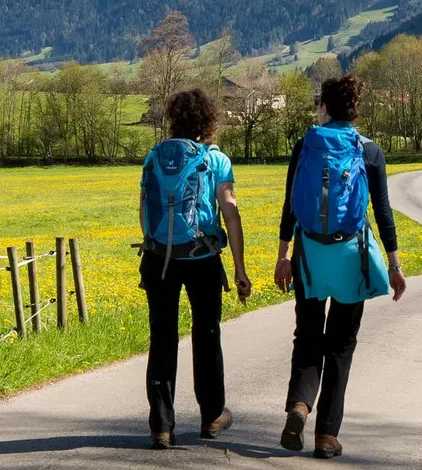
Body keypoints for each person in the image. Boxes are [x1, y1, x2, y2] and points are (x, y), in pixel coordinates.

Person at [273, 75, 406, 459]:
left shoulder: (306, 145)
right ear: (355, 108)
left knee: (308, 336)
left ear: (324, 107)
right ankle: (326, 436)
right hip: (351, 256)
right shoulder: (370, 151)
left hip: (310, 255)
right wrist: (394, 265)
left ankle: (299, 404)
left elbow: (290, 206)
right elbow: (382, 212)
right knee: (341, 344)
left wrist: (283, 257)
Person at [139, 88, 250, 449]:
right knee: (207, 334)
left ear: (174, 119)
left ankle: (161, 426)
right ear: (207, 121)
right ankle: (212, 415)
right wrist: (239, 268)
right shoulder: (215, 160)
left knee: (162, 338)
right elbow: (229, 212)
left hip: (159, 258)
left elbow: (143, 210)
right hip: (202, 257)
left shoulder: (153, 157)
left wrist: (155, 245)